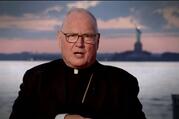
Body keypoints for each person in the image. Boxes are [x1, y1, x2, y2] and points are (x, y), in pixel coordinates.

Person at [9, 8, 146, 119]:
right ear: (59, 39)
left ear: (97, 42)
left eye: (87, 36)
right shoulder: (35, 78)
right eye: (72, 36)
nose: (79, 44)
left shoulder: (122, 82)